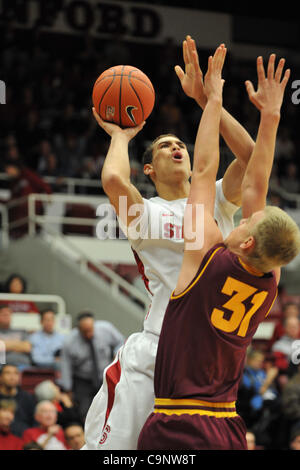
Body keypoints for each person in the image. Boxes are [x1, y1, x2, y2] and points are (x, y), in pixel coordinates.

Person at [84, 36, 257, 450]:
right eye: (165, 146)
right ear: (149, 168)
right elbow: (112, 180)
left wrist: (207, 102)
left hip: (207, 360)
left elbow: (250, 155)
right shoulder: (146, 214)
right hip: (157, 350)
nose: (177, 146)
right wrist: (121, 134)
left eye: (181, 142)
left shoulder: (216, 198)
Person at [137, 49, 300, 450]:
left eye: (246, 221)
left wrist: (214, 100)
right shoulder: (270, 282)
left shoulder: (206, 257)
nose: (243, 217)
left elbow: (205, 169)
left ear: (247, 240)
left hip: (178, 422)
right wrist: (270, 117)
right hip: (226, 423)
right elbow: (256, 184)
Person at [59, 311, 124, 423]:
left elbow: (121, 342)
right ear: (78, 329)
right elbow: (65, 365)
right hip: (82, 379)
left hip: (105, 375)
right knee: (84, 411)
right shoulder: (69, 341)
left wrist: (116, 354)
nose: (89, 334)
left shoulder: (106, 329)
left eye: (90, 330)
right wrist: (67, 388)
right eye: (85, 332)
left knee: (110, 406)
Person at [0, 364, 36, 437]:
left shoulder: (27, 397)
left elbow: (35, 422)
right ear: (0, 377)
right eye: (8, 373)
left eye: (16, 373)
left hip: (24, 439)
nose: (12, 377)